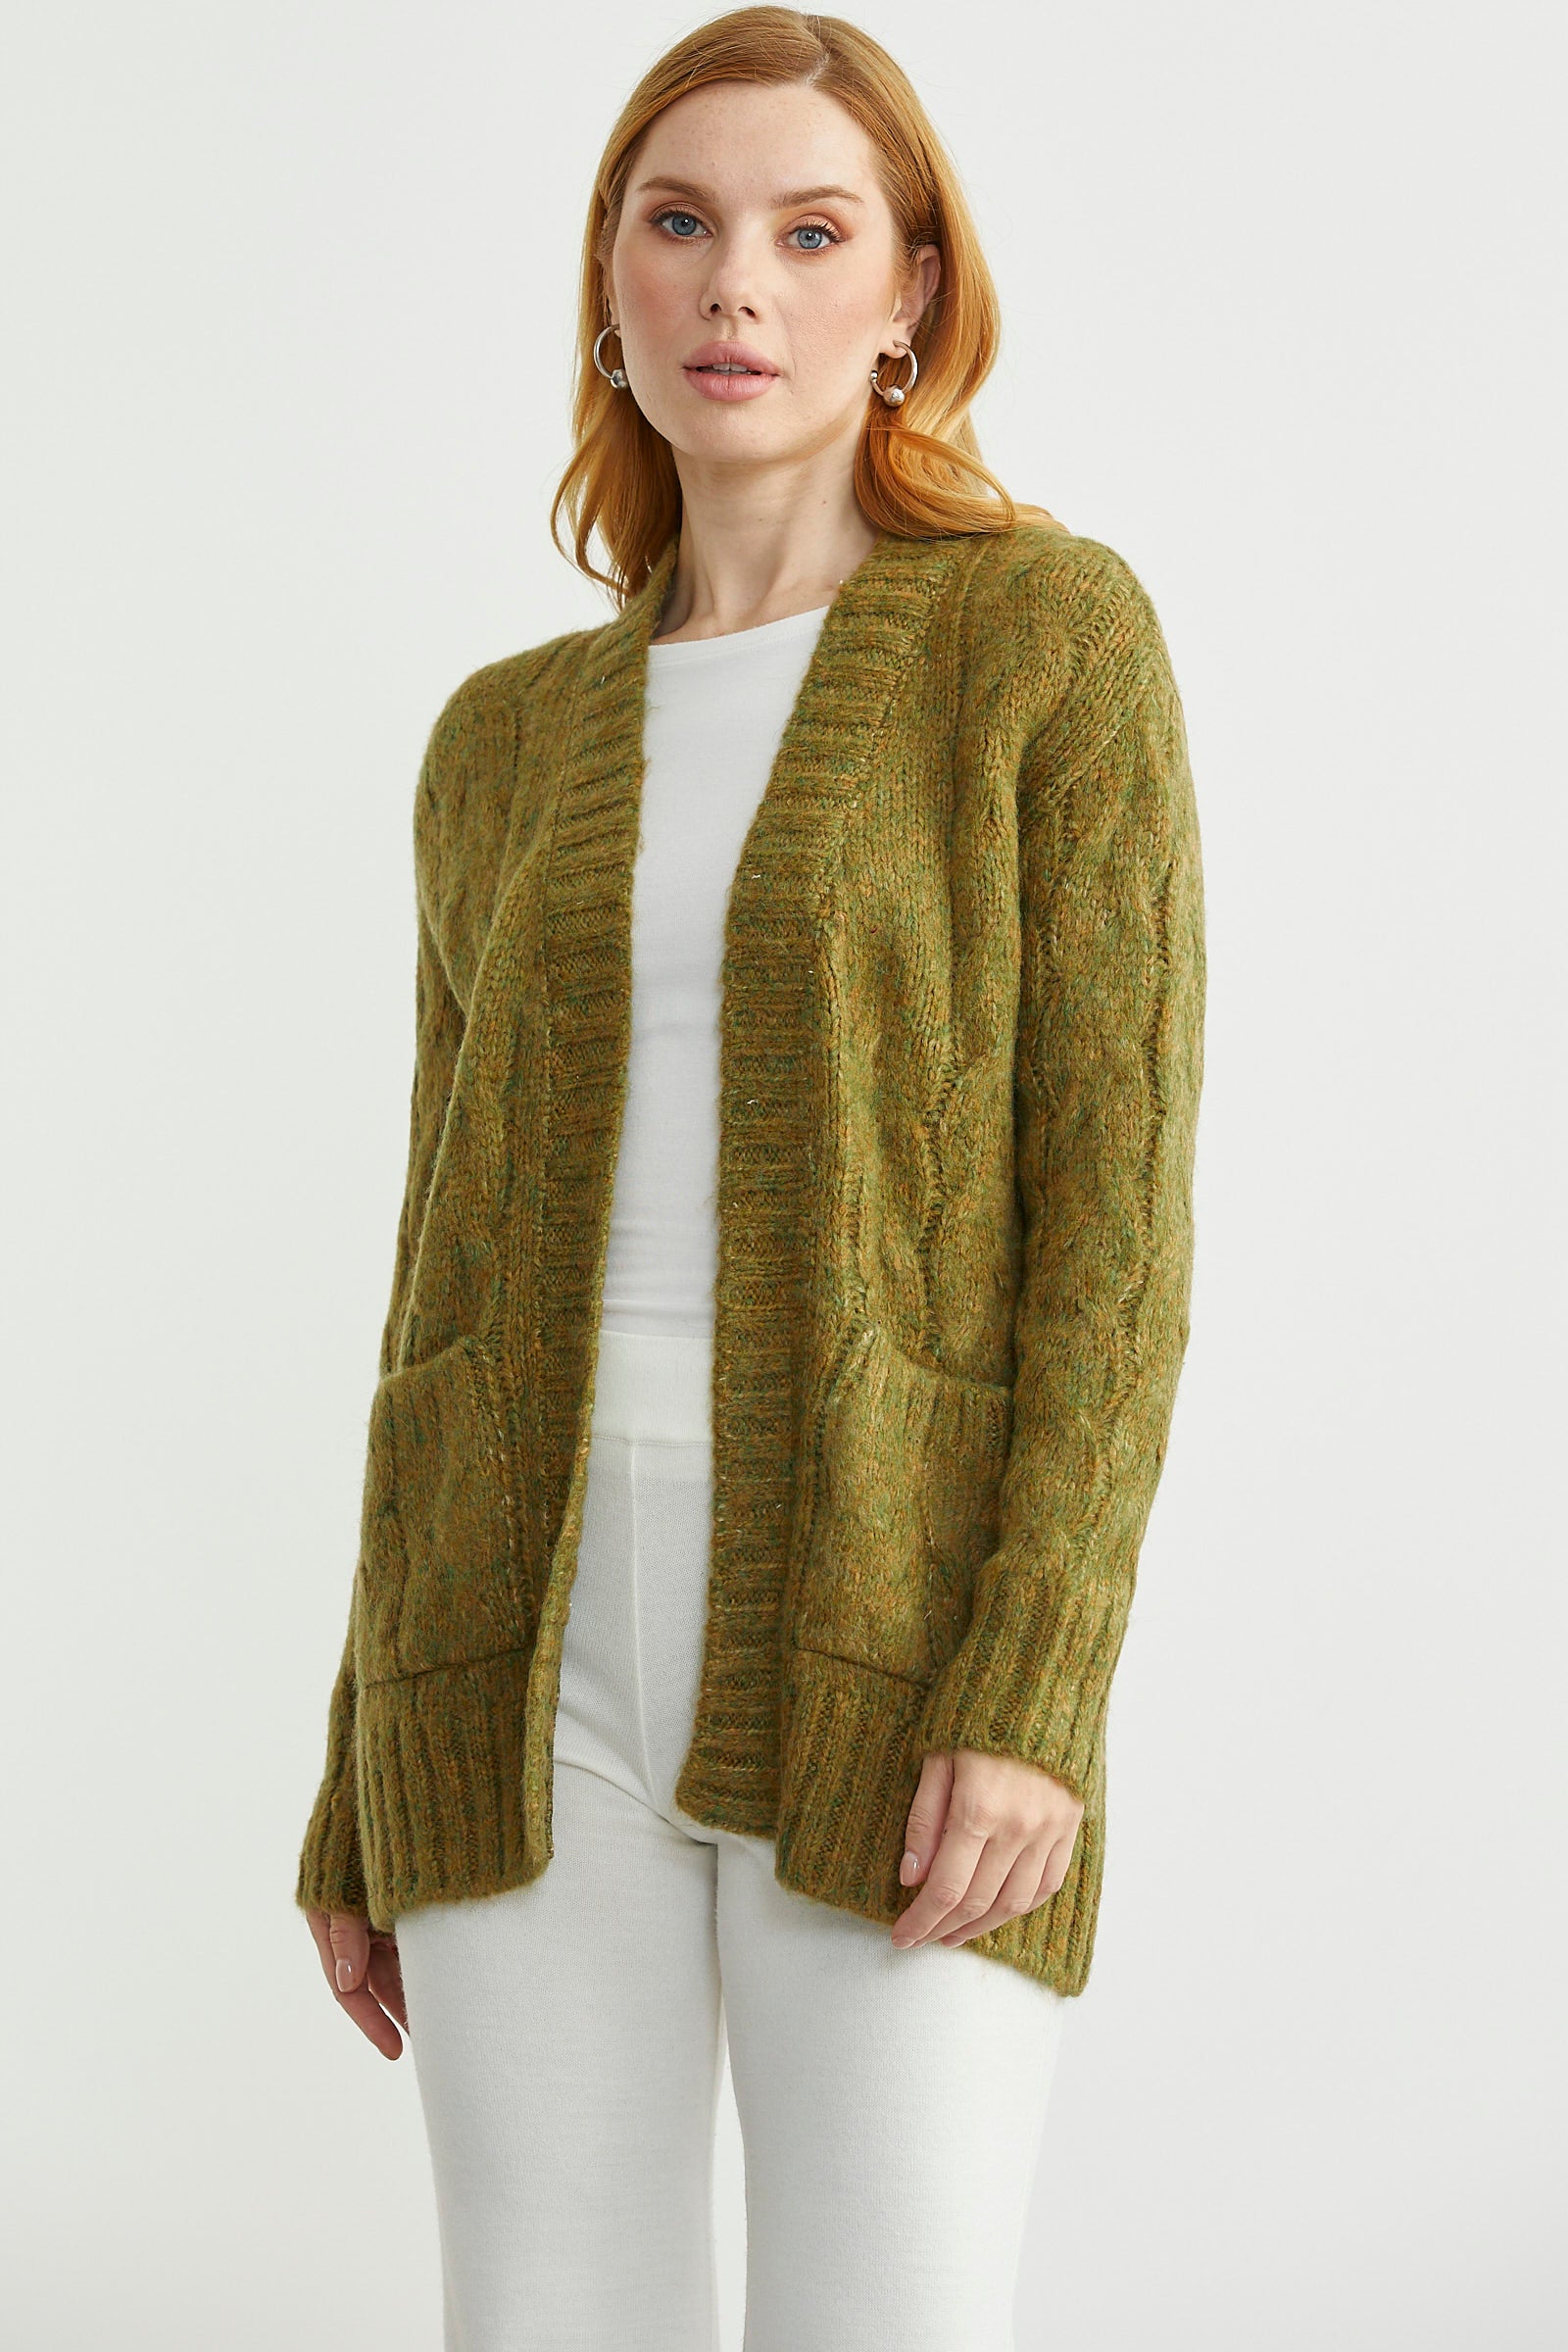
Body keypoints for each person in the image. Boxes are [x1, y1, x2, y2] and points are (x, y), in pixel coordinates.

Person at [294, 9, 1206, 2345]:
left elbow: (1111, 1227)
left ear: (910, 293)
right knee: (539, 2317)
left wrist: (1035, 1680)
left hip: (896, 1644)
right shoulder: (502, 742)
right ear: (608, 277)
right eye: (678, 223)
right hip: (510, 1658)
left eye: (811, 234)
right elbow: (435, 1278)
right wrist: (358, 1747)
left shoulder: (1044, 644)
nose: (734, 287)